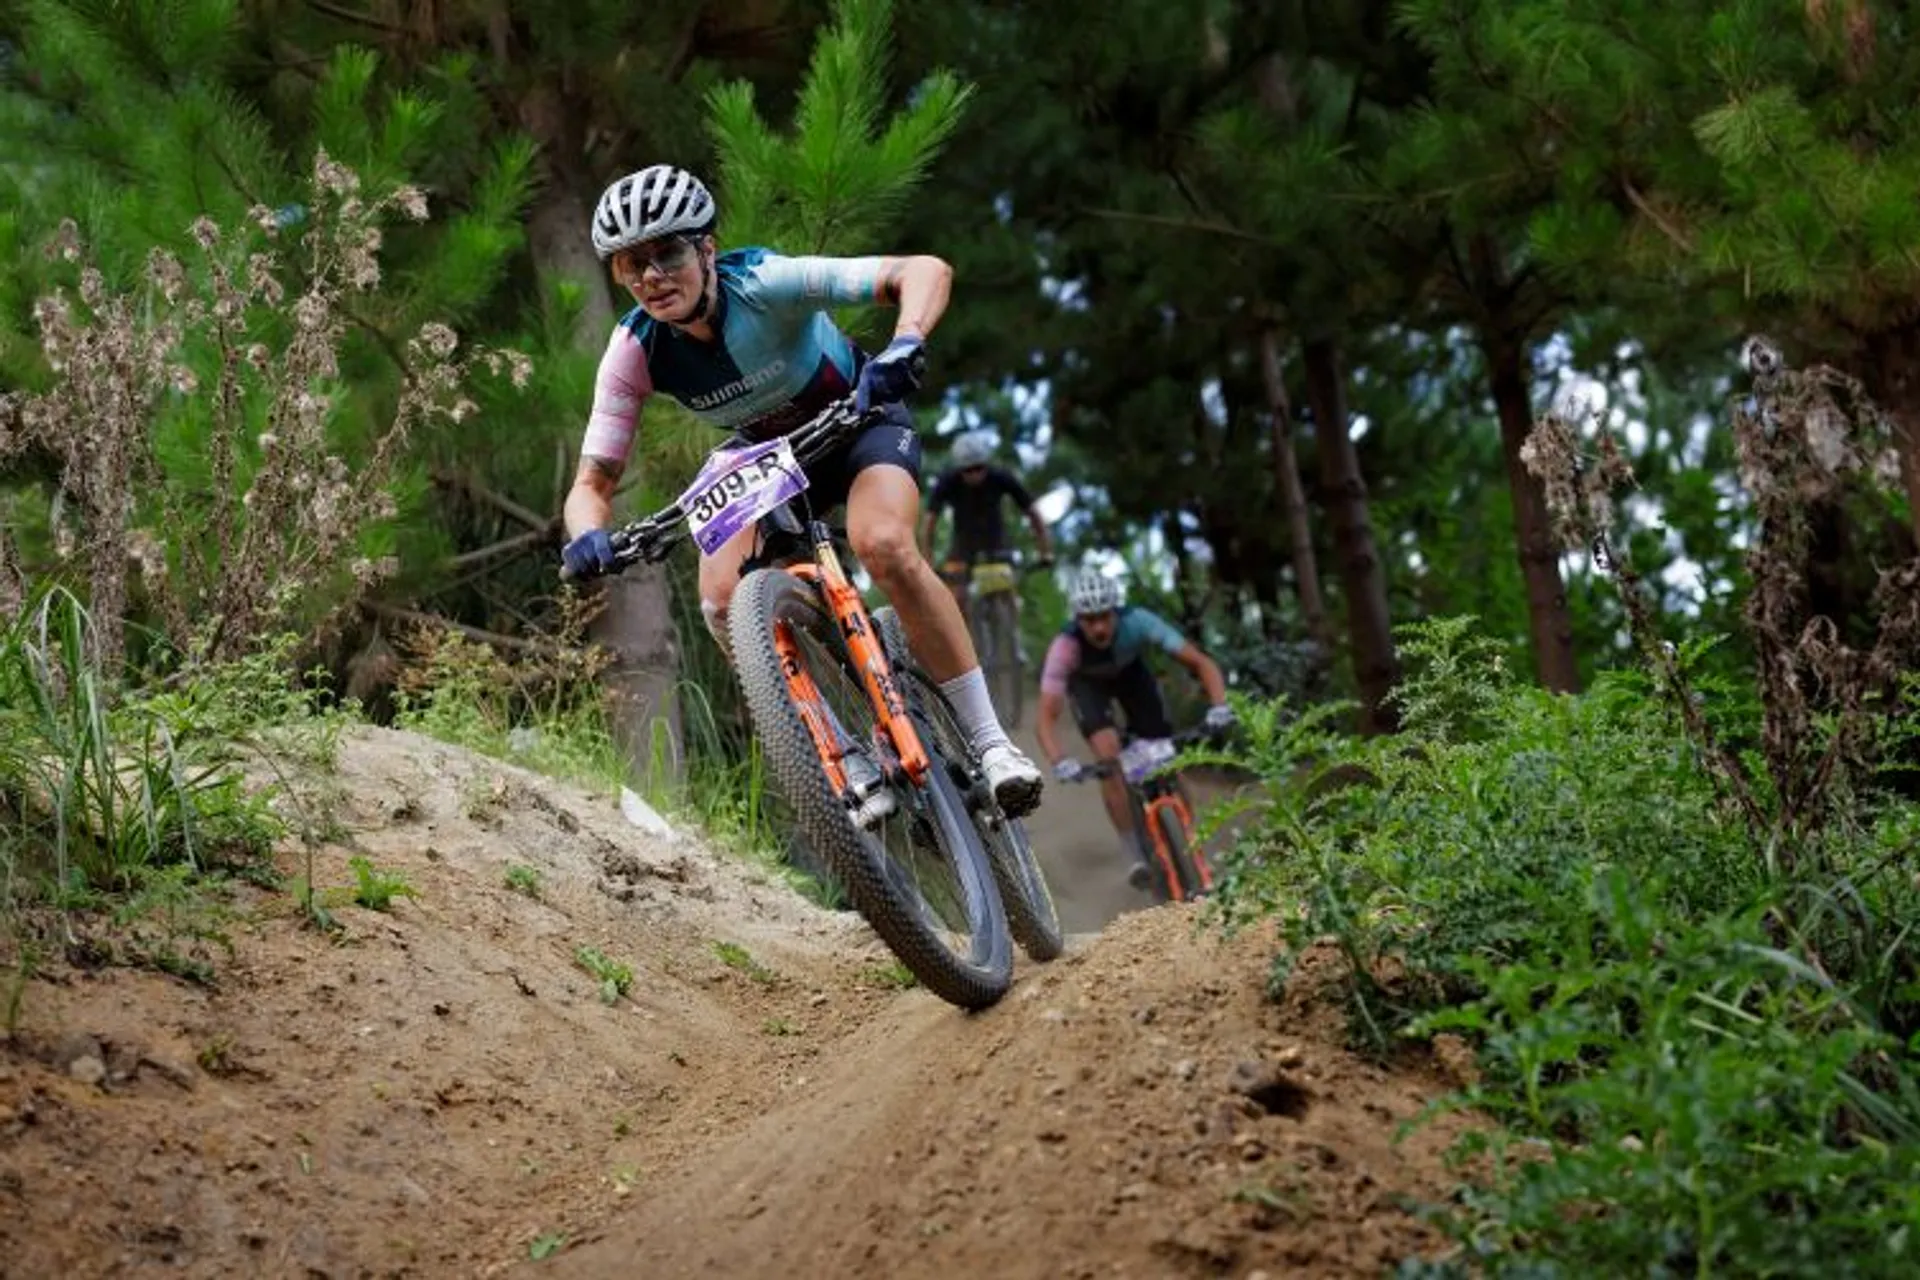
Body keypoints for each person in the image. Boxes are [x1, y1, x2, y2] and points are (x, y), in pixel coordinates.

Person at [558, 164, 1042, 820]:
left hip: (855, 419)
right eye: (629, 265)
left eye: (667, 253)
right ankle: (840, 748)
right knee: (724, 600)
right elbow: (593, 483)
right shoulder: (635, 349)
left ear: (707, 248)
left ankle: (991, 744)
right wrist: (587, 536)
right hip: (763, 456)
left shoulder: (764, 281)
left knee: (885, 544)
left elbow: (923, 269)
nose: (651, 276)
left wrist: (904, 345)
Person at [1034, 569, 1235, 889]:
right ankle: (1134, 854)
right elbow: (1045, 717)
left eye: (1103, 616)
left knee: (1167, 753)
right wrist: (1059, 760)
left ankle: (1191, 838)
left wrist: (1220, 705)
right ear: (1077, 619)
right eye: (1088, 619)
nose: (1098, 627)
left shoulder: (1138, 621)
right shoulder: (1065, 647)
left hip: (1132, 678)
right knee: (1109, 757)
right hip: (1089, 689)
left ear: (1116, 611)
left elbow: (1200, 662)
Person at [919, 429, 1054, 620]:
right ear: (959, 469)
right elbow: (929, 523)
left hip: (998, 546)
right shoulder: (948, 482)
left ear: (986, 464)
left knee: (1010, 595)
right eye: (968, 470)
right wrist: (928, 560)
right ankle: (963, 643)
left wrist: (1045, 551)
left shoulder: (1001, 477)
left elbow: (1033, 513)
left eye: (979, 468)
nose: (975, 475)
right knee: (955, 600)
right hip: (962, 548)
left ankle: (1011, 640)